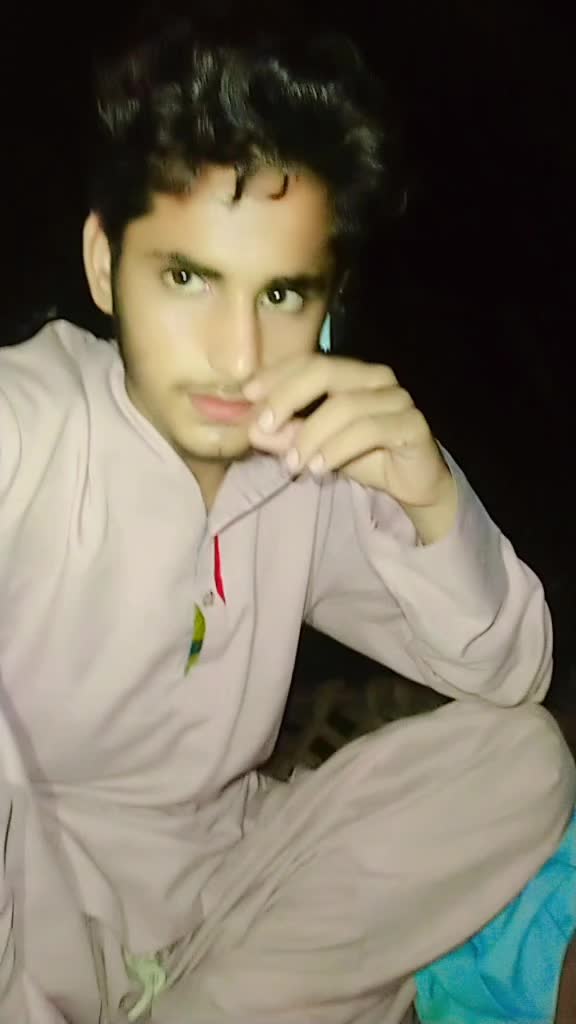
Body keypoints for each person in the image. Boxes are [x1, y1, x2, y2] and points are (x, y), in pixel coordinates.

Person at [0, 13, 574, 1024]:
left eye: (280, 295)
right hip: (36, 919)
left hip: (229, 895)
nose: (237, 354)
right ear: (103, 264)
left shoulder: (306, 460)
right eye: (187, 278)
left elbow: (510, 674)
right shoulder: (31, 424)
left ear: (329, 304)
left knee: (526, 762)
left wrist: (430, 492)